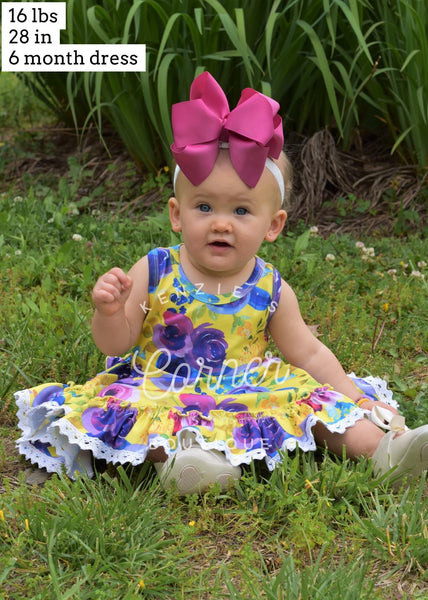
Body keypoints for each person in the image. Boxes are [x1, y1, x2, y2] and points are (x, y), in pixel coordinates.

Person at [15, 72, 428, 493]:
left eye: (242, 211)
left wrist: (354, 399)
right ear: (177, 215)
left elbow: (310, 353)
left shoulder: (270, 287)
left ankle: (385, 451)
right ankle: (195, 464)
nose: (221, 223)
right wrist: (109, 312)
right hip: (164, 383)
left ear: (274, 225)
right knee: (137, 415)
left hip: (248, 387)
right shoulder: (156, 268)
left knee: (318, 409)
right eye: (205, 206)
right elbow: (115, 344)